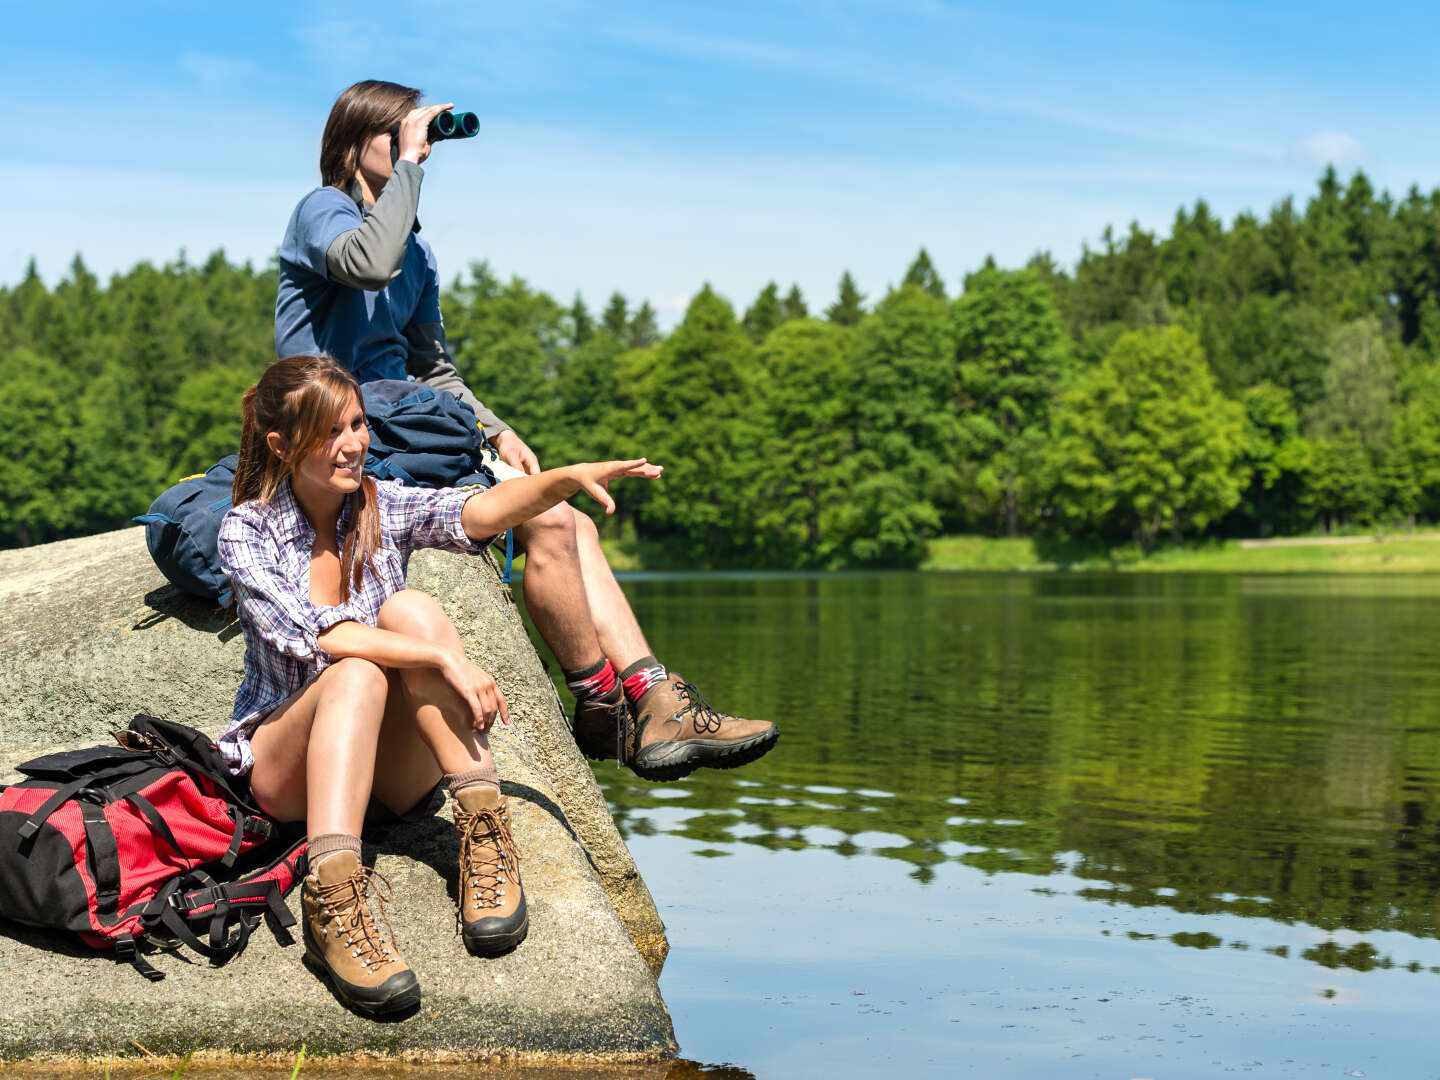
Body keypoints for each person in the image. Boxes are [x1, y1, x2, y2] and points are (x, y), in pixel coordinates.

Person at [273, 79, 778, 781]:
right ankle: (602, 701)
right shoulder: (321, 212)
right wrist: (412, 169)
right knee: (547, 522)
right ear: (354, 142)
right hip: (339, 439)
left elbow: (433, 367)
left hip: (409, 432)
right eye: (400, 135)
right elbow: (367, 263)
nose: (416, 149)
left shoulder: (416, 254)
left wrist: (496, 430)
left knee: (570, 520)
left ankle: (651, 695)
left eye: (417, 139)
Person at [217, 354, 663, 1018]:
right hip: (293, 778)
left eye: (358, 424)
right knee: (359, 668)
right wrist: (444, 661)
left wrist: (562, 480)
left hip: (392, 781)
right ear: (281, 443)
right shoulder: (246, 530)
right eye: (329, 430)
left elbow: (476, 512)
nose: (354, 444)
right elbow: (321, 638)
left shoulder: (377, 503)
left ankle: (484, 831)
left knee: (410, 610)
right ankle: (334, 897)